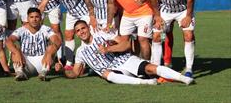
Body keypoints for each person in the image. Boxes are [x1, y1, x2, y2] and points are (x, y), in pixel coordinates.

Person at [63, 20, 194, 85]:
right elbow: (75, 72)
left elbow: (126, 44)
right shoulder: (80, 52)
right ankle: (145, 82)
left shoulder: (102, 35)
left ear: (88, 28)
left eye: (83, 28)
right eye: (78, 31)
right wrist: (62, 71)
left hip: (124, 60)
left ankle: (183, 78)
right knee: (105, 73)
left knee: (150, 68)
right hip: (113, 71)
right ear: (76, 34)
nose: (82, 32)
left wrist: (108, 49)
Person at [39, 0, 97, 69]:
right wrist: (35, 20)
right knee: (68, 35)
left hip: (85, 11)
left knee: (89, 36)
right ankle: (69, 63)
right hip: (72, 13)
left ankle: (91, 63)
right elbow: (42, 5)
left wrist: (92, 15)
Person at [147, 0, 196, 78]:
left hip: (183, 9)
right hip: (164, 10)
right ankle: (156, 68)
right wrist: (157, 16)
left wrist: (188, 16)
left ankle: (189, 69)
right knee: (157, 35)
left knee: (189, 35)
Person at [6, 7, 61, 81]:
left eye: (37, 17)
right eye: (31, 17)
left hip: (42, 61)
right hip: (25, 63)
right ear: (27, 19)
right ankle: (20, 73)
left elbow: (57, 41)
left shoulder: (46, 29)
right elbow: (9, 41)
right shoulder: (21, 30)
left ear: (41, 18)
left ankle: (43, 73)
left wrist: (50, 52)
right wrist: (16, 52)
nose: (34, 20)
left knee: (51, 47)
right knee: (15, 49)